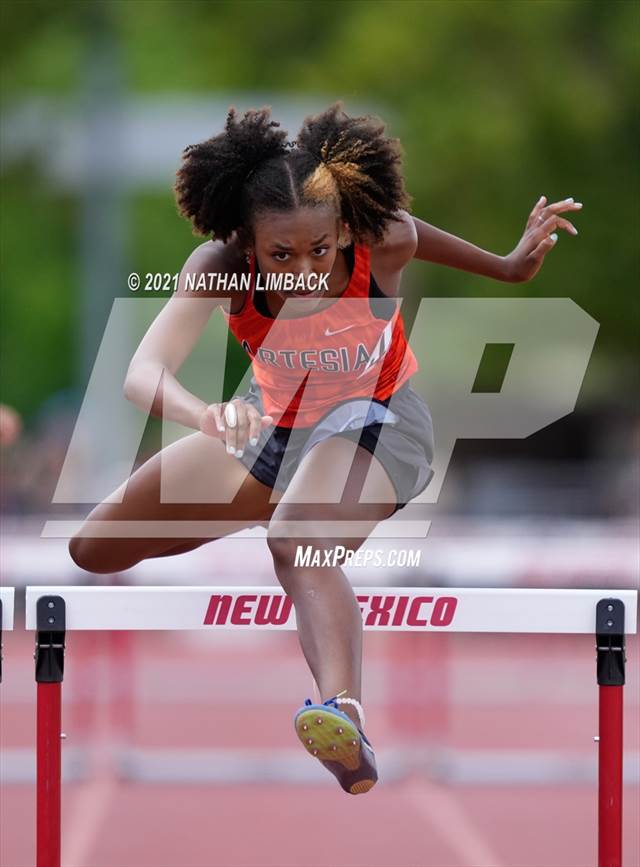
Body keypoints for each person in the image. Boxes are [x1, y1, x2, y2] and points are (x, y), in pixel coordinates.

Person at [69, 103, 581, 795]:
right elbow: (142, 371)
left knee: (299, 538)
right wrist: (204, 414)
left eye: (320, 250)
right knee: (93, 546)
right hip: (269, 426)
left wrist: (513, 264)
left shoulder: (385, 238)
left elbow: (499, 267)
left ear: (344, 229)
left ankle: (343, 713)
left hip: (378, 422)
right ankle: (291, 500)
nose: (305, 271)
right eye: (281, 256)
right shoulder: (219, 268)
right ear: (247, 245)